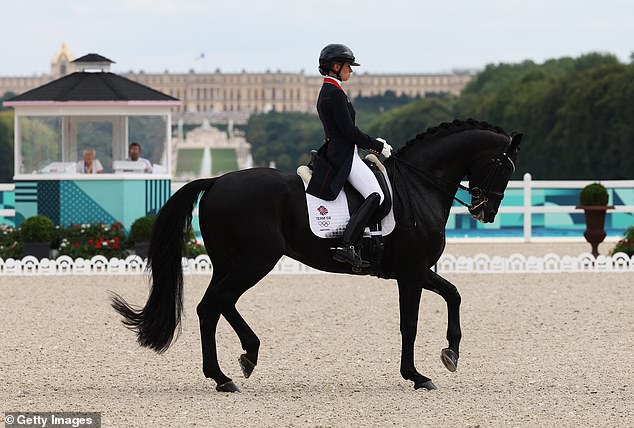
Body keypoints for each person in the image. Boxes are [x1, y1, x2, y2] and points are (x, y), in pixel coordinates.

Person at [306, 43, 393, 270]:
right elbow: (349, 132)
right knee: (376, 195)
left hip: (340, 151)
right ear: (336, 66)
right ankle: (348, 245)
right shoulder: (334, 93)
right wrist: (376, 146)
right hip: (344, 155)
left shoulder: (330, 90)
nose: (351, 71)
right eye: (348, 66)